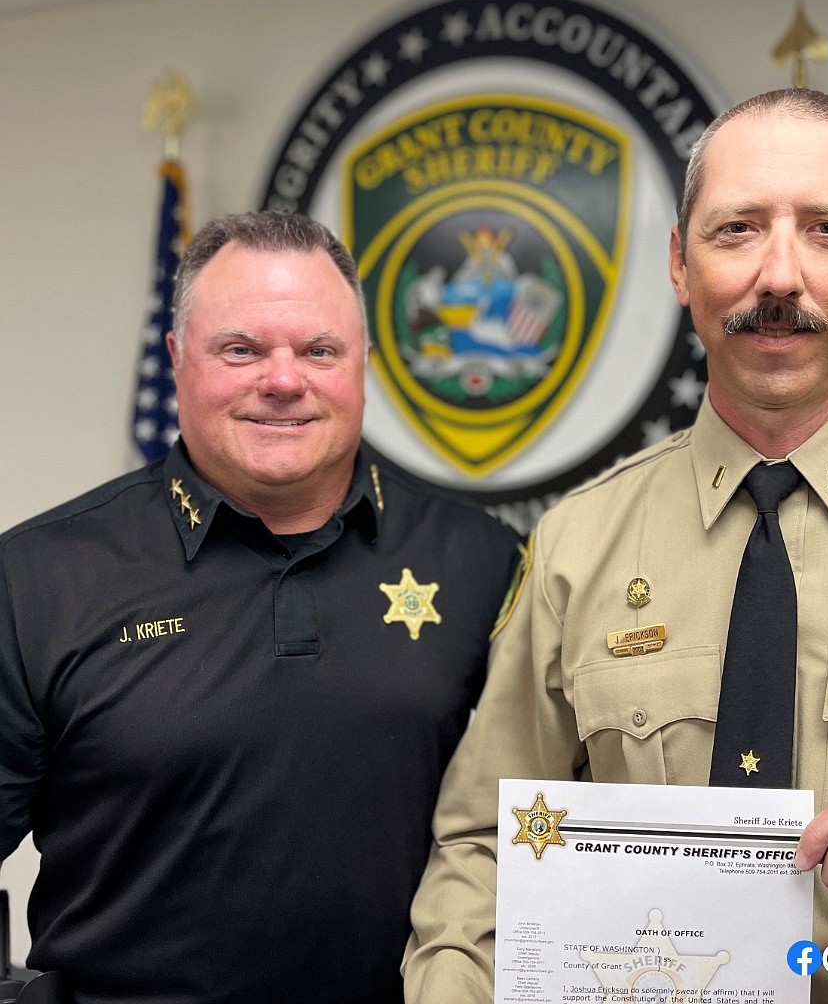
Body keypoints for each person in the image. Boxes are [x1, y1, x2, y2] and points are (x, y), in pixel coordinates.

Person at [403, 90, 828, 1002]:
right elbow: (486, 845)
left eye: (827, 231)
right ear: (681, 265)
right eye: (738, 230)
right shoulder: (576, 548)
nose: (779, 274)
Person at [0, 211, 521, 1004]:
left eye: (319, 350)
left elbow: (548, 826)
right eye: (241, 350)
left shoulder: (484, 564)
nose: (283, 380)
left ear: (365, 367)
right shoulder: (38, 577)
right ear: (178, 360)